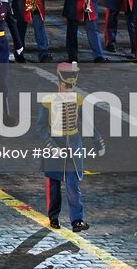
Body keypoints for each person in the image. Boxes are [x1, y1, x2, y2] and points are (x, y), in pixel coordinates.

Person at [39, 61, 98, 232]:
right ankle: (53, 217)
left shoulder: (79, 100)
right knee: (54, 185)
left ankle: (77, 220)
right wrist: (49, 143)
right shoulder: (48, 101)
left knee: (73, 185)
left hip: (73, 145)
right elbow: (41, 128)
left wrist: (96, 138)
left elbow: (86, 122)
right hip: (55, 144)